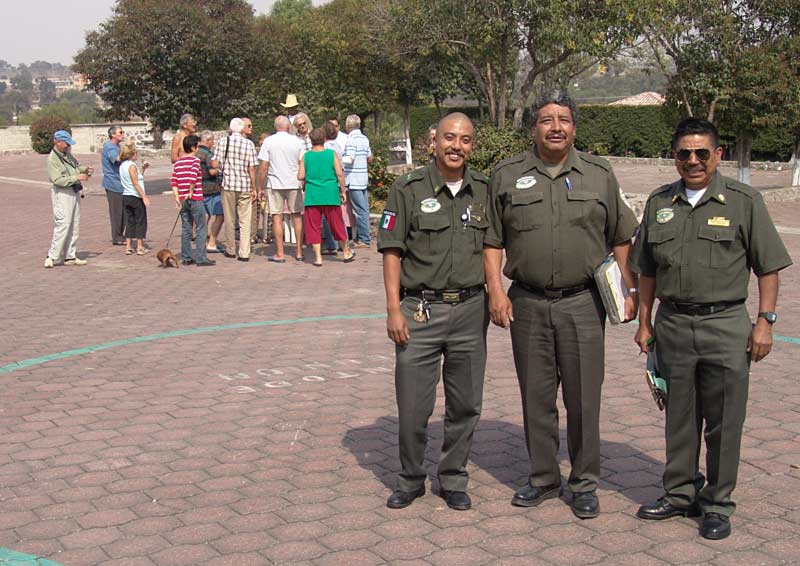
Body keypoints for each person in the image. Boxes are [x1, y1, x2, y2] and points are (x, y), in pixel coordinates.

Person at [631, 117, 791, 540]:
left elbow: (768, 267)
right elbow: (647, 270)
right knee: (679, 418)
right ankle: (680, 493)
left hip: (725, 325)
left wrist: (765, 322)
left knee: (723, 422)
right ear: (674, 156)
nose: (693, 160)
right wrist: (644, 322)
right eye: (684, 153)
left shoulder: (743, 201)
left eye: (702, 152)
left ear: (718, 155)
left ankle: (718, 503)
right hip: (673, 324)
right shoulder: (659, 202)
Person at [484, 91, 639, 519]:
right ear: (533, 128)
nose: (556, 127)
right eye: (547, 120)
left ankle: (584, 482)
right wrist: (496, 291)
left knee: (584, 398)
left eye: (564, 119)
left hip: (583, 303)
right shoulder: (507, 175)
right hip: (527, 303)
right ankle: (543, 478)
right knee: (536, 397)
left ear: (574, 128)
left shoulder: (598, 174)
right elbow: (492, 240)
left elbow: (621, 237)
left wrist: (629, 292)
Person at [378, 113, 490, 511]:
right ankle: (410, 478)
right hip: (419, 311)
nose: (456, 146)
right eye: (449, 138)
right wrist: (393, 308)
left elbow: (493, 247)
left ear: (472, 145)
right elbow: (392, 251)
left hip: (470, 310)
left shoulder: (484, 190)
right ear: (434, 141)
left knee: (465, 403)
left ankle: (453, 477)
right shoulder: (407, 188)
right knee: (412, 406)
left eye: (465, 139)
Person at [298, 127, 355, 266]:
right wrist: (343, 191)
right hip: (330, 194)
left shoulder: (306, 156)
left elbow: (300, 176)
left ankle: (318, 257)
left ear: (311, 140)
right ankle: (346, 251)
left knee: (313, 227)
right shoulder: (331, 154)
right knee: (337, 224)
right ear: (324, 139)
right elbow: (340, 174)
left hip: (312, 196)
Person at [257, 115, 305, 263]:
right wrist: (302, 180)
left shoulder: (269, 141)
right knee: (297, 216)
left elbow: (263, 167)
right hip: (294, 182)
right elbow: (302, 162)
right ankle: (299, 251)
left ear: (275, 127)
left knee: (276, 216)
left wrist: (260, 187)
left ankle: (280, 253)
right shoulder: (297, 141)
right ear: (288, 127)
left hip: (275, 183)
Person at [44, 130, 92, 268]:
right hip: (62, 192)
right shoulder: (53, 159)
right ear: (57, 142)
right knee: (63, 223)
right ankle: (52, 256)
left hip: (73, 190)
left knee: (74, 224)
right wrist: (76, 177)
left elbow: (75, 166)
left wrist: (85, 169)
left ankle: (70, 255)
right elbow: (57, 180)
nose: (68, 146)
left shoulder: (67, 154)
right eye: (66, 143)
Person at [214, 117, 258, 262]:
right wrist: (254, 187)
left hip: (228, 184)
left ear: (230, 128)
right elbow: (252, 168)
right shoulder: (249, 144)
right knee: (245, 220)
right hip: (245, 185)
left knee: (230, 218)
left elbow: (215, 162)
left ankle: (231, 249)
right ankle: (244, 252)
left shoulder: (223, 142)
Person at [172, 134, 215, 267]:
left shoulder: (178, 163)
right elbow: (193, 176)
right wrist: (190, 191)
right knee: (201, 227)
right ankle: (201, 257)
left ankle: (186, 257)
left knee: (186, 228)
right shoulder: (195, 161)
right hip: (195, 197)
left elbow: (174, 181)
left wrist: (177, 198)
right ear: (193, 147)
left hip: (182, 199)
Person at [342, 114, 373, 248]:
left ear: (348, 125)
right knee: (364, 209)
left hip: (353, 179)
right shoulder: (364, 138)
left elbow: (350, 158)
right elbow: (370, 158)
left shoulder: (351, 140)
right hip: (363, 177)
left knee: (359, 210)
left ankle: (364, 239)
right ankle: (364, 236)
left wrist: (338, 159)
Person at [118, 142, 151, 255]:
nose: (137, 155)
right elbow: (135, 183)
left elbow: (136, 178)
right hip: (135, 196)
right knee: (140, 221)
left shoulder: (122, 166)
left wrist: (143, 169)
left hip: (126, 195)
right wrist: (144, 197)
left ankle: (128, 246)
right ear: (131, 154)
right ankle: (140, 246)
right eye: (135, 153)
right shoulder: (132, 165)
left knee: (130, 221)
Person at [197, 131, 223, 253]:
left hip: (198, 188)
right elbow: (212, 171)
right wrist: (219, 167)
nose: (213, 143)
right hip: (211, 188)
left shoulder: (195, 152)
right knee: (220, 215)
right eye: (212, 141)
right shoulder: (208, 154)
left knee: (203, 217)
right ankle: (212, 242)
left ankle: (201, 241)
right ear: (208, 140)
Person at [101, 125, 126, 245]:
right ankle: (117, 237)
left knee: (124, 212)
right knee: (117, 212)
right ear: (113, 135)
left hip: (121, 183)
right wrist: (129, 150)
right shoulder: (109, 147)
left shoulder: (117, 146)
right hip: (113, 183)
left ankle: (121, 234)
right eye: (120, 132)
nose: (123, 134)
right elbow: (116, 159)